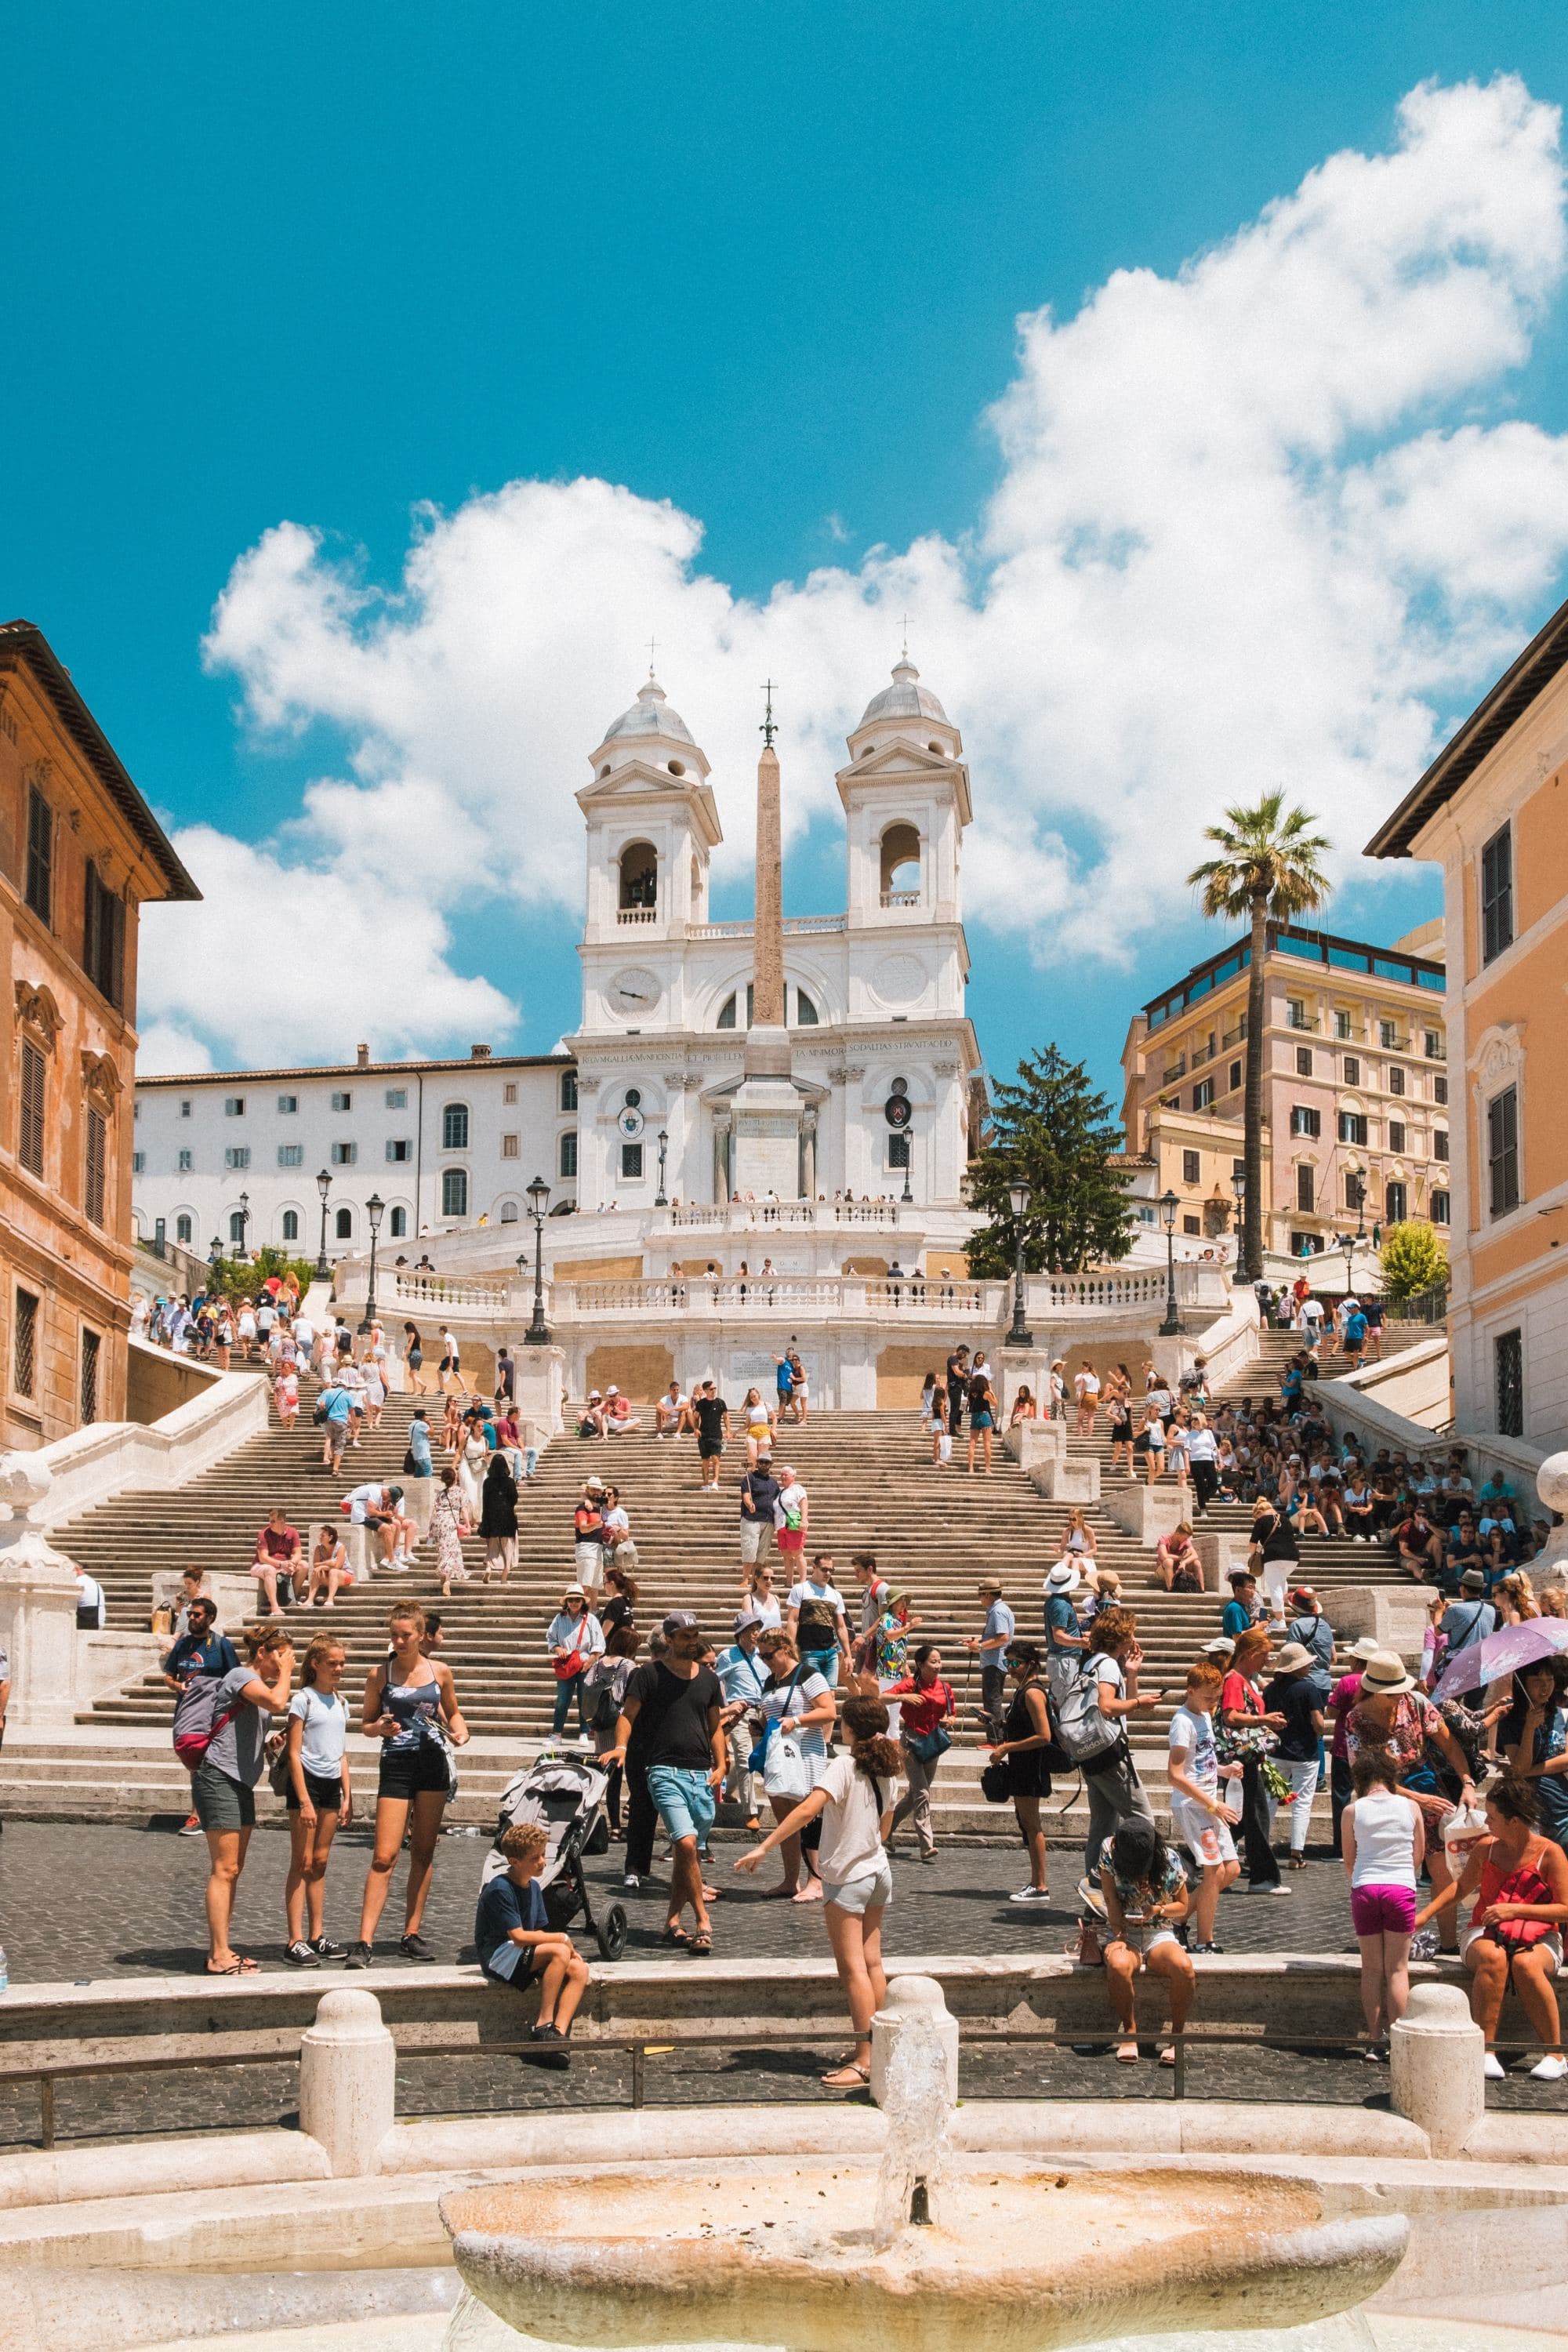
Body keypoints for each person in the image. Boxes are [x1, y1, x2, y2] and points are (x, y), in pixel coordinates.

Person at [735, 1691, 902, 2090]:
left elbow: (808, 1809)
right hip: (879, 1871)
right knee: (873, 1964)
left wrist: (765, 1846)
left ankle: (865, 2062)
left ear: (850, 1729)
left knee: (853, 1970)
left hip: (848, 1878)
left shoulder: (844, 1764)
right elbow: (885, 1826)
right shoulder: (889, 1768)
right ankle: (878, 2046)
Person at [1416, 1777, 1568, 2082]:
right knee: (1493, 1958)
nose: (1486, 1822)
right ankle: (1486, 2050)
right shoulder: (1486, 1848)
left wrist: (1515, 1910)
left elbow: (1565, 1908)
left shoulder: (1550, 1853)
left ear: (1514, 1821)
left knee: (1526, 1964)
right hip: (1484, 1930)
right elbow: (1461, 1887)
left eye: (1493, 1817)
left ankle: (1555, 2053)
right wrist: (1424, 1916)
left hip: (1540, 1934)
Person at [348, 1606, 469, 1966]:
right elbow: (365, 1723)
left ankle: (410, 1933)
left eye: (405, 1635)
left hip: (432, 1762)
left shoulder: (440, 1671)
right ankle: (364, 1941)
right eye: (394, 1635)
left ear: (421, 1636)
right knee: (384, 1855)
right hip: (397, 1764)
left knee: (423, 1852)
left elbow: (453, 1711)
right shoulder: (379, 1674)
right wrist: (379, 1729)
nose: (398, 1641)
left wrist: (461, 1730)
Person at [604, 1611, 726, 1954]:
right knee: (686, 1845)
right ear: (669, 1640)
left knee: (688, 1854)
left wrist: (722, 1764)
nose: (693, 1640)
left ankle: (672, 1920)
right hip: (662, 1771)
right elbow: (627, 1716)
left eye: (695, 1634)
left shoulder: (709, 1680)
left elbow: (715, 1727)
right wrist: (621, 1747)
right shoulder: (648, 1675)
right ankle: (703, 1921)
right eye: (686, 1635)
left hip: (701, 1774)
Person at [1345, 1650, 1479, 1952]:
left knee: (1441, 1869)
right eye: (1390, 1693)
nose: (1397, 1696)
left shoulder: (1416, 1703)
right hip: (1382, 1797)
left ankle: (1448, 1943)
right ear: (1374, 1689)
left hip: (1428, 1786)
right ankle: (1390, 1941)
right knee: (1394, 1870)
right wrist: (1414, 1799)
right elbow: (1363, 1775)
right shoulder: (1357, 1719)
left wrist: (1467, 1783)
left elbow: (1449, 1743)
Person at [187, 1624, 296, 1974]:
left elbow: (242, 1730)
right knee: (225, 1868)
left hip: (241, 1781)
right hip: (218, 1776)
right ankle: (218, 1955)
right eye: (280, 1656)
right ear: (263, 1653)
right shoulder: (239, 1675)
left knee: (234, 1870)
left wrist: (268, 1745)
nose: (283, 1664)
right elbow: (279, 1702)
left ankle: (223, 1947)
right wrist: (289, 1672)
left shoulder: (255, 1685)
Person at [475, 1821, 590, 2067]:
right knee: (559, 1949)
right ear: (515, 1862)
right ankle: (543, 2025)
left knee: (579, 1969)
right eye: (535, 1858)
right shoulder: (500, 1888)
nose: (542, 1862)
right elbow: (518, 1935)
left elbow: (537, 1931)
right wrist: (562, 1940)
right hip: (498, 1954)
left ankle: (556, 2036)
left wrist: (570, 1950)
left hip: (520, 1952)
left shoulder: (535, 1887)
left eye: (542, 1855)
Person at [1341, 1748, 1425, 2061]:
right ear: (1392, 1777)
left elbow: (1349, 1859)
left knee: (1372, 1969)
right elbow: (1418, 1856)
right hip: (1400, 1888)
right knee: (1398, 1970)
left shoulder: (1353, 1810)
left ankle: (1374, 2041)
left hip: (1365, 1888)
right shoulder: (1411, 1806)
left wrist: (1363, 1877)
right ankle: (1399, 2040)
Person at [1098, 1817, 1195, 2067]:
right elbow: (1110, 1899)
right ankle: (1130, 2034)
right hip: (1124, 1930)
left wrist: (1158, 1910)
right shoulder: (1110, 1849)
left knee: (1184, 1968)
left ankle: (1177, 2038)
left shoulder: (1171, 1861)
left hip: (1159, 1932)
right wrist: (1118, 1933)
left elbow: (1182, 1907)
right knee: (1118, 1964)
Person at [283, 1635, 354, 1967]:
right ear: (315, 1664)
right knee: (303, 1861)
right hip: (307, 1782)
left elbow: (341, 1752)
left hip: (331, 1784)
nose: (339, 1669)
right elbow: (294, 1753)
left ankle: (317, 1934)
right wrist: (303, 1800)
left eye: (341, 1663)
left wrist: (348, 1794)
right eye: (332, 1663)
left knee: (321, 1862)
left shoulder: (341, 1702)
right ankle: (294, 1938)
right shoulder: (303, 1700)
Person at [1078, 1606, 1161, 1875]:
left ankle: (1096, 1892)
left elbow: (1123, 1705)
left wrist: (1132, 1673)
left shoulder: (1093, 1661)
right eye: (1132, 1633)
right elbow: (1107, 1706)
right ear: (1121, 1636)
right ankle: (1145, 1884)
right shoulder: (1108, 1665)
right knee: (1143, 1821)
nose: (1135, 1638)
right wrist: (1140, 1701)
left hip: (1092, 1753)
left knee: (1102, 1827)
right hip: (1111, 1755)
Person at [1167, 1660, 1241, 1950]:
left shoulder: (1206, 1717)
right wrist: (1213, 1804)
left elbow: (1201, 1762)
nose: (1214, 1703)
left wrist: (1224, 1770)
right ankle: (1204, 1941)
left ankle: (1178, 1918)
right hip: (1193, 1805)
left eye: (1217, 1697)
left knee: (1231, 1869)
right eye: (1208, 1697)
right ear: (1191, 1690)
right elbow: (1175, 1775)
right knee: (1214, 1870)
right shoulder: (1182, 1722)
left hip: (1208, 1802)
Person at [1218, 1628, 1286, 1894]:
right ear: (1249, 1654)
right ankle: (1262, 1876)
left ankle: (1197, 1856)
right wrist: (1263, 1720)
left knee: (1245, 1817)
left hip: (1249, 1756)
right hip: (1242, 1757)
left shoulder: (1245, 1679)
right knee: (1256, 1815)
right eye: (1264, 1656)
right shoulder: (1235, 1680)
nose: (1266, 1662)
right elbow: (1230, 1717)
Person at [987, 1642, 1055, 1902]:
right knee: (1027, 1823)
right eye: (1008, 1663)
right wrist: (999, 1723)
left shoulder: (1032, 1693)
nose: (1011, 1668)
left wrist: (1007, 1747)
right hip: (1022, 1764)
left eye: (1016, 1663)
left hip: (1031, 1766)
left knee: (1031, 1823)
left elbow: (1044, 1735)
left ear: (1031, 1664)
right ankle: (1036, 1882)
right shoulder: (1022, 1691)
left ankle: (1039, 1885)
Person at [884, 1642, 956, 1865]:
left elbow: (952, 1713)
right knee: (922, 1793)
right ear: (921, 1665)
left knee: (914, 1794)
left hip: (933, 1744)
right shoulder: (910, 1685)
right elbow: (882, 1698)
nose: (938, 1666)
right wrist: (903, 1698)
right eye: (933, 1662)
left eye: (939, 1662)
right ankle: (927, 1845)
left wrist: (950, 1720)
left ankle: (884, 1832)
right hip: (911, 1743)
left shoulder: (944, 1687)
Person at [1264, 1642, 1326, 1869]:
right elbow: (1318, 1722)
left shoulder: (1270, 1689)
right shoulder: (1308, 1689)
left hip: (1276, 1752)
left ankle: (1261, 1850)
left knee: (1269, 1802)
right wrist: (1319, 1732)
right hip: (1305, 1754)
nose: (1309, 1666)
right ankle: (1296, 1855)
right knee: (1302, 1804)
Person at [1505, 1658, 1568, 1860]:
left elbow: (1566, 1759)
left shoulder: (1558, 1715)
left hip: (1563, 1805)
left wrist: (1530, 1770)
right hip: (1532, 1810)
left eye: (1549, 1680)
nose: (1545, 1687)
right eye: (1537, 1680)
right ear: (1523, 1683)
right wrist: (1529, 1729)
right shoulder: (1511, 1721)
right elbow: (1519, 1767)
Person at [548, 1586, 605, 1741]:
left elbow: (599, 1643)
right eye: (571, 1600)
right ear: (566, 1602)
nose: (574, 1603)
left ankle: (584, 1733)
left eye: (577, 1600)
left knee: (584, 1700)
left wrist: (591, 1661)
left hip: (585, 1664)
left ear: (582, 1602)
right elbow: (551, 1638)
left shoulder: (591, 1619)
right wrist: (558, 1648)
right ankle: (557, 1733)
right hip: (566, 1664)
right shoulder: (559, 1619)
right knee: (562, 1700)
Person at [787, 1553, 851, 1688]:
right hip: (809, 1650)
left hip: (831, 1651)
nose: (828, 1573)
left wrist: (848, 1655)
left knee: (831, 1693)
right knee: (813, 1692)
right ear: (814, 1568)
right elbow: (793, 1620)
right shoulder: (800, 1589)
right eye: (824, 1569)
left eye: (830, 1570)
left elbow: (841, 1627)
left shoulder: (835, 1594)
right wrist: (790, 1647)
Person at [967, 1580, 1014, 1743]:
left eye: (980, 1595)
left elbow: (1003, 1637)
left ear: (987, 1594)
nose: (980, 1599)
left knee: (992, 1701)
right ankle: (997, 1737)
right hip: (995, 1661)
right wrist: (977, 1641)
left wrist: (979, 1647)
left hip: (994, 1662)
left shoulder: (998, 1611)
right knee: (993, 1700)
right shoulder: (999, 1609)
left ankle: (996, 1739)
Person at [1043, 1562, 1087, 1704]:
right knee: (1064, 1703)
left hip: (1064, 1659)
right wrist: (1080, 1642)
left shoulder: (1058, 1602)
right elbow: (1058, 1636)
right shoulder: (1060, 1604)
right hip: (1064, 1659)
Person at [251, 1509, 303, 1617]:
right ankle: (275, 1607)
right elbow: (263, 1558)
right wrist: (281, 1564)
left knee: (303, 1565)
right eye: (270, 1521)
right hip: (261, 1566)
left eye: (273, 1521)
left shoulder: (292, 1532)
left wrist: (292, 1563)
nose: (270, 1524)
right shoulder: (263, 1534)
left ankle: (293, 1597)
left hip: (283, 1565)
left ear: (282, 1521)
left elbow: (298, 1553)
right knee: (270, 1570)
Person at [480, 1449, 519, 1584]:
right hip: (507, 1519)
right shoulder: (509, 1482)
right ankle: (503, 1579)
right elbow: (514, 1499)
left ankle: (489, 1568)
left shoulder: (487, 1482)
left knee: (493, 1548)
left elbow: (484, 1502)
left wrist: (484, 1521)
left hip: (491, 1519)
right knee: (508, 1549)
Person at [739, 1456, 780, 1570]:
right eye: (761, 1462)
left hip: (768, 1521)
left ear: (771, 1464)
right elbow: (746, 1495)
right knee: (750, 1549)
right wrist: (749, 1505)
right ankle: (746, 1579)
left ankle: (755, 1580)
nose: (763, 1464)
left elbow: (777, 1500)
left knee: (763, 1552)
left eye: (766, 1462)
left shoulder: (774, 1483)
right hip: (751, 1519)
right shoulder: (750, 1478)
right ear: (757, 1463)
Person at [693, 1381, 731, 1490]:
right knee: (705, 1461)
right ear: (705, 1391)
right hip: (703, 1436)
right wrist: (696, 1429)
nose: (713, 1390)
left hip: (716, 1435)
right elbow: (696, 1417)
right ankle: (705, 1484)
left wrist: (728, 1431)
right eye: (711, 1389)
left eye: (715, 1388)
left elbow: (726, 1417)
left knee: (716, 1459)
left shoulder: (720, 1403)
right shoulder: (700, 1404)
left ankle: (715, 1482)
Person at [307, 1525, 353, 1609]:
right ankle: (309, 1600)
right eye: (320, 1535)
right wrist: (327, 1563)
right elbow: (315, 1564)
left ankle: (330, 1599)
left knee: (333, 1571)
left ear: (330, 1537)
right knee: (317, 1571)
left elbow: (338, 1566)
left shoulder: (340, 1547)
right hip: (329, 1577)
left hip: (344, 1576)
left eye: (323, 1535)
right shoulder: (319, 1548)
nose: (320, 1537)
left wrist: (322, 1567)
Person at [967, 1356, 999, 1474]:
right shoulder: (986, 1393)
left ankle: (970, 1468)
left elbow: (970, 1404)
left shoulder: (971, 1394)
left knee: (972, 1443)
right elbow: (996, 1403)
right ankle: (987, 1468)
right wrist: (991, 1389)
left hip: (974, 1417)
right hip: (985, 1416)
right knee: (987, 1444)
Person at [1153, 1525, 1204, 1594]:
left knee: (1197, 1563)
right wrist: (1181, 1558)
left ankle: (1201, 1589)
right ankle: (1170, 1589)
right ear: (1177, 1534)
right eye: (1185, 1538)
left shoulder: (1185, 1542)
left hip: (1177, 1571)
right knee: (1169, 1561)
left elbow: (1195, 1555)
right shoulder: (1164, 1539)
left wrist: (1184, 1562)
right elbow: (1164, 1556)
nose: (1186, 1540)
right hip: (1163, 1572)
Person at [774, 1461, 808, 1561]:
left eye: (786, 1475)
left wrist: (804, 1520)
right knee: (786, 1555)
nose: (783, 1477)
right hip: (781, 1524)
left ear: (793, 1476)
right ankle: (789, 1577)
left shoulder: (797, 1488)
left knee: (797, 1553)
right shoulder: (780, 1492)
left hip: (794, 1520)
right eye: (782, 1475)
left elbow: (804, 1503)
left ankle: (802, 1577)